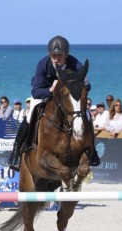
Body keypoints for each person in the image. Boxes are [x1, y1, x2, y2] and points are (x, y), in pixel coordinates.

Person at [7, 35, 99, 171]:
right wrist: (51, 90)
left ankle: (93, 151)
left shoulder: (76, 65)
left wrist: (74, 88)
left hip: (67, 98)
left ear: (66, 55)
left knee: (86, 113)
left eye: (59, 55)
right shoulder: (43, 64)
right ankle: (16, 152)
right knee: (30, 113)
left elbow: (87, 86)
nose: (56, 58)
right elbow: (35, 92)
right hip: (45, 94)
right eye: (53, 55)